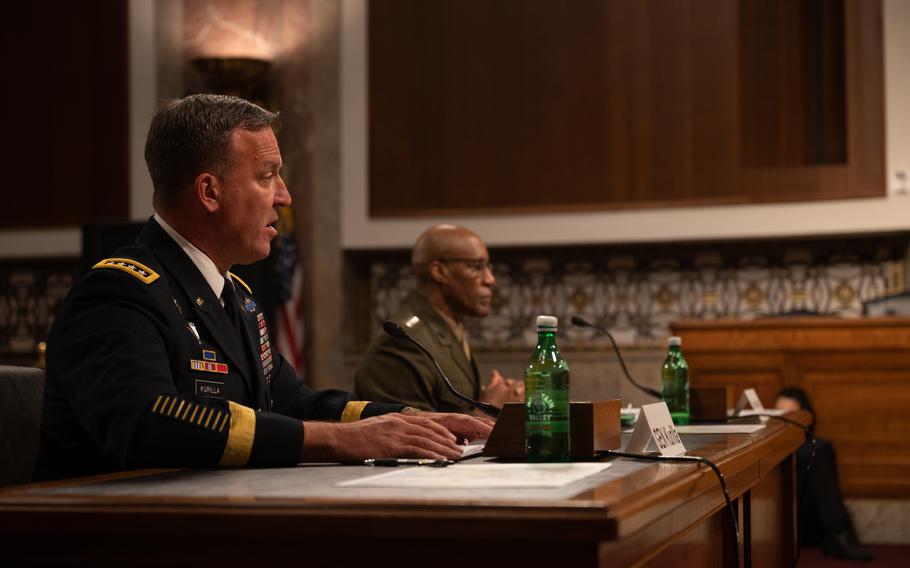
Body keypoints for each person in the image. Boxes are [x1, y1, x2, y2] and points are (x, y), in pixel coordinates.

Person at [33, 94, 491, 481]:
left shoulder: (237, 296)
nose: (285, 196)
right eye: (267, 175)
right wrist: (337, 439)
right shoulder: (118, 293)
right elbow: (151, 421)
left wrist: (405, 419)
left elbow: (292, 401)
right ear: (209, 192)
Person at [354, 224, 524, 415]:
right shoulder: (403, 342)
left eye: (488, 267)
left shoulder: (444, 327)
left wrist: (494, 395)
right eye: (476, 267)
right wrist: (489, 411)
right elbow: (407, 437)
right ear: (439, 272)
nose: (490, 279)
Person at [775, 386, 873, 562]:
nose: (786, 422)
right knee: (818, 449)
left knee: (818, 449)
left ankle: (838, 532)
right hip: (784, 525)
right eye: (780, 415)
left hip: (812, 519)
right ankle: (839, 534)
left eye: (792, 416)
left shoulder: (814, 448)